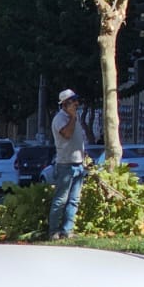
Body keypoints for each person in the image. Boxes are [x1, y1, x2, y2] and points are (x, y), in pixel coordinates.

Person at [47, 89, 88, 240]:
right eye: (73, 101)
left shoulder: (74, 118)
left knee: (74, 200)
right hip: (65, 164)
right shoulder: (60, 119)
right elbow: (67, 134)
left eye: (76, 100)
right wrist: (72, 117)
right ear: (65, 104)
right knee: (61, 199)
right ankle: (53, 231)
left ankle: (67, 230)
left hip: (78, 164)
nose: (76, 103)